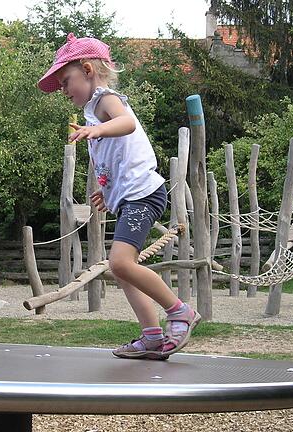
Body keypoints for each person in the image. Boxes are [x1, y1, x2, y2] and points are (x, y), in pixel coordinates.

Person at [37, 34, 201, 360]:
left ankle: (179, 311)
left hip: (144, 194)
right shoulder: (92, 110)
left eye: (66, 81)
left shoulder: (105, 99)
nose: (64, 90)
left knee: (120, 263)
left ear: (87, 69)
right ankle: (152, 336)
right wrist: (106, 192)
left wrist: (97, 130)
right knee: (122, 269)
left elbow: (126, 124)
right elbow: (116, 161)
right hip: (131, 197)